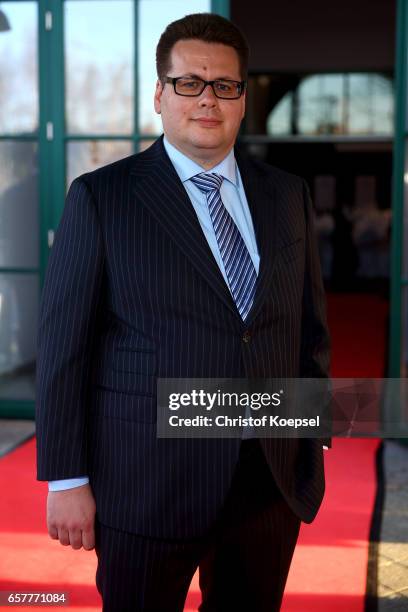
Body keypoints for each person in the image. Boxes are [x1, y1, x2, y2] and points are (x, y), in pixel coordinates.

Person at [36, 12, 331, 612]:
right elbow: (64, 347)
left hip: (267, 478)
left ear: (243, 98)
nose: (208, 99)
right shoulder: (102, 197)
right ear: (160, 94)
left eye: (225, 85)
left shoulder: (287, 194)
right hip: (146, 481)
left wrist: (311, 429)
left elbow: (307, 325)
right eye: (189, 83)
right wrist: (66, 479)